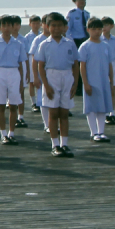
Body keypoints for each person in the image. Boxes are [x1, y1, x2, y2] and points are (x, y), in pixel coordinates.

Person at [37, 11, 80, 157]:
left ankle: (65, 144)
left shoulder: (69, 43)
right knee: (53, 112)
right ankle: (55, 144)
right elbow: (41, 66)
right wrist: (46, 85)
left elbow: (75, 64)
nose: (56, 28)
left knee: (64, 112)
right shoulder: (44, 45)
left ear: (64, 27)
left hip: (67, 76)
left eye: (59, 26)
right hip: (51, 77)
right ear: (48, 27)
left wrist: (75, 84)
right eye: (53, 26)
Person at [0, 15, 27, 144]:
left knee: (14, 104)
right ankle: (3, 133)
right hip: (1, 72)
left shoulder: (18, 44)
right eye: (4, 25)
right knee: (1, 105)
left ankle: (11, 132)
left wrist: (21, 81)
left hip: (14, 72)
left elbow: (21, 64)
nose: (7, 28)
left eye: (9, 25)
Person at [77, 19, 113, 142]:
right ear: (88, 30)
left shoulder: (106, 46)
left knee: (102, 107)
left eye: (99, 29)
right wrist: (85, 83)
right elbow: (82, 65)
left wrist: (111, 80)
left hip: (103, 81)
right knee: (91, 107)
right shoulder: (85, 46)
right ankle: (94, 132)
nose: (97, 32)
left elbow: (110, 64)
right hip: (91, 81)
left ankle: (101, 131)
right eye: (94, 29)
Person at [101, 17, 115, 126]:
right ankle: (104, 114)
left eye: (106, 25)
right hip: (103, 65)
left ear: (111, 26)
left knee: (112, 90)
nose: (104, 27)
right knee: (104, 90)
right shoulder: (99, 39)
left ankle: (111, 113)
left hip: (113, 64)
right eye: (102, 25)